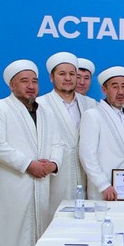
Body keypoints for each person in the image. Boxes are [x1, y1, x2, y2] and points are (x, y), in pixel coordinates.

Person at [0, 59, 60, 246]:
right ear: (12, 85)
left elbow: (58, 143)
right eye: (24, 81)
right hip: (11, 186)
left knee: (38, 235)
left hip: (41, 184)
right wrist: (28, 164)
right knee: (7, 237)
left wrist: (53, 164)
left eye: (34, 81)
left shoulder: (46, 111)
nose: (31, 86)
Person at [79, 65, 124, 201]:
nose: (121, 92)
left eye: (123, 86)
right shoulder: (92, 115)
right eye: (115, 87)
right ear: (104, 90)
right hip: (104, 190)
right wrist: (103, 185)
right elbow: (87, 156)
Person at [37, 51, 88, 212]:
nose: (68, 78)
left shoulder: (90, 104)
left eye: (72, 74)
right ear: (51, 77)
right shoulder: (40, 104)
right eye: (62, 74)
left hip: (86, 174)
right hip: (55, 175)